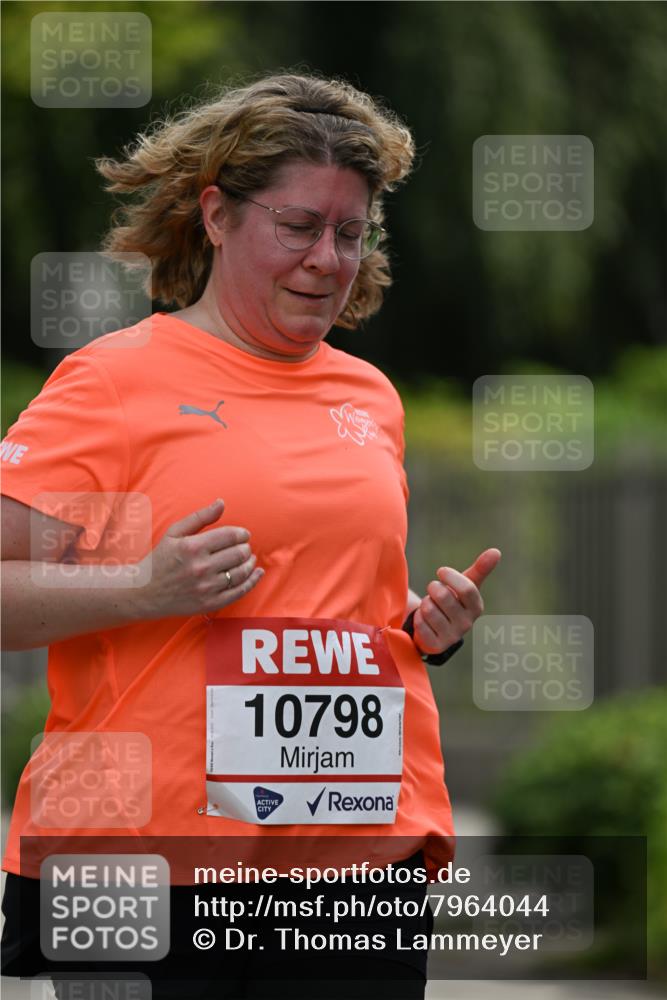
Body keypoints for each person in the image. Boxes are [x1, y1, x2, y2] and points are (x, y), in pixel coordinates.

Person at [1, 72, 500, 998]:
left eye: (352, 233)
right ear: (218, 215)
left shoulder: (366, 397)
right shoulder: (117, 384)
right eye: (300, 226)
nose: (328, 259)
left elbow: (318, 599)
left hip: (352, 865)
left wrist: (418, 630)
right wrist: (141, 588)